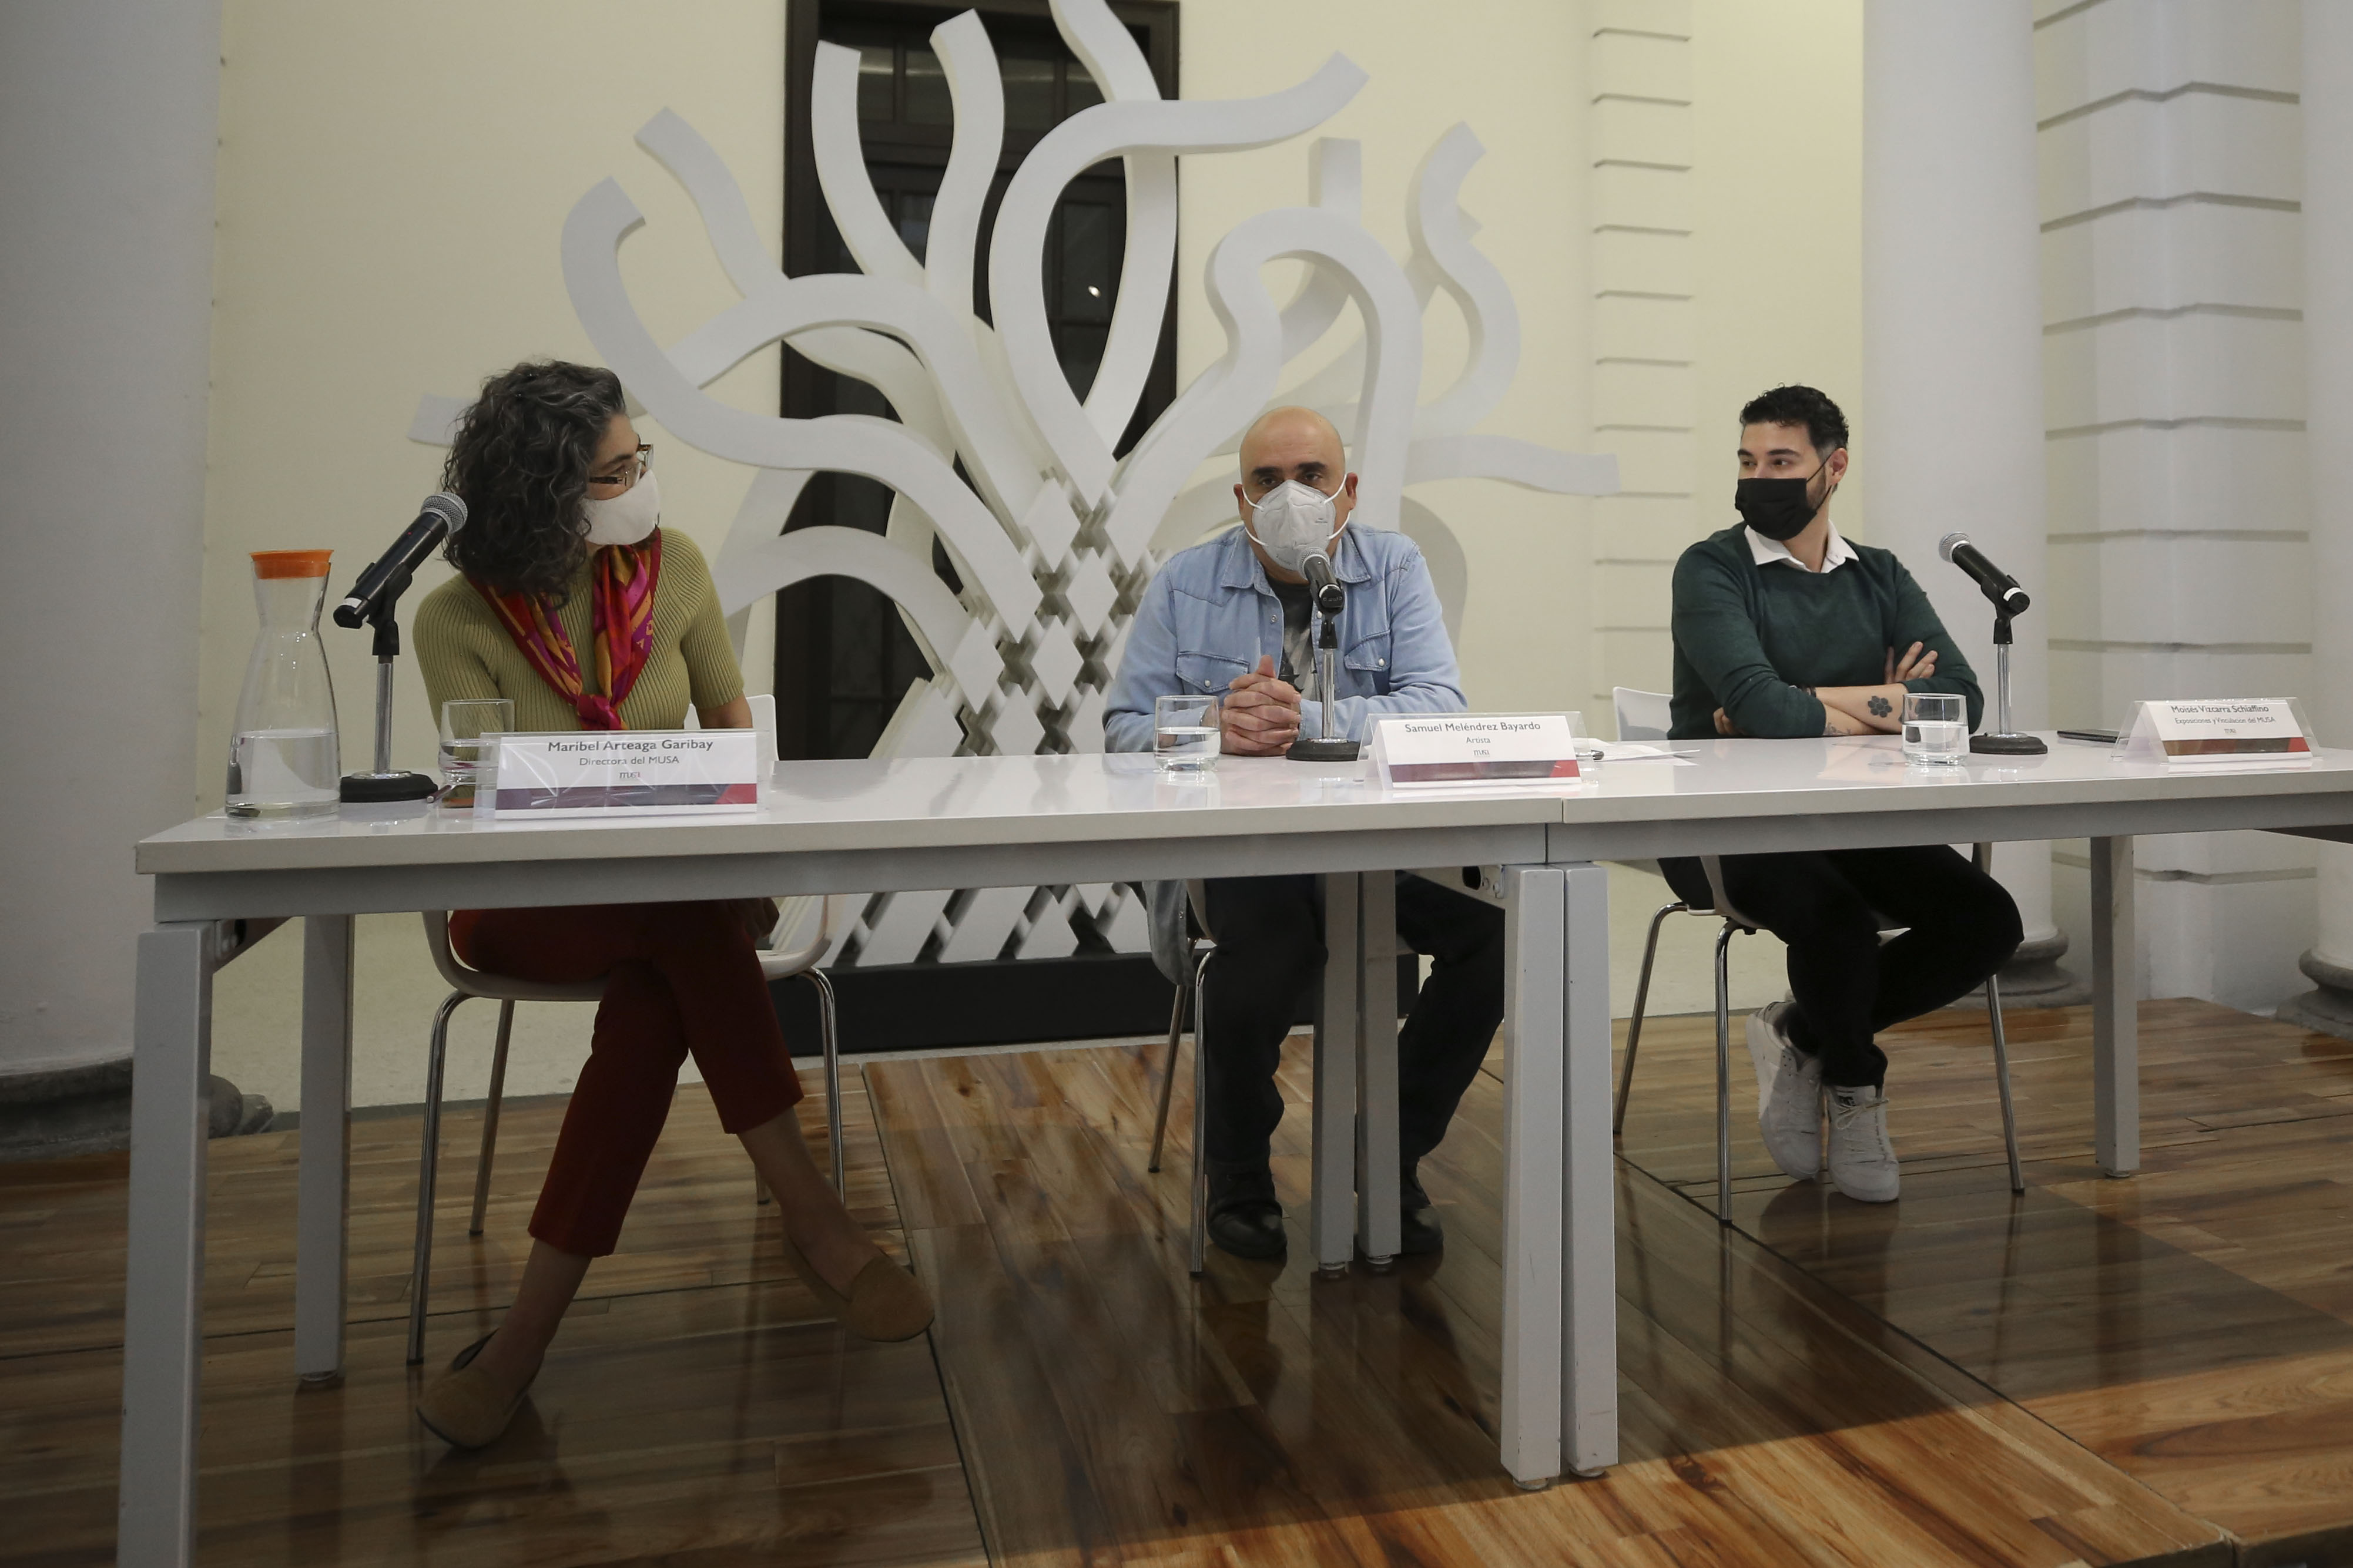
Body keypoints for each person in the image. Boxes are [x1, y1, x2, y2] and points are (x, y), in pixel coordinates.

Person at [409, 361, 931, 1449]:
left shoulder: (675, 568)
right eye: (614, 472)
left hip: (667, 903)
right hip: (524, 904)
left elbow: (736, 744)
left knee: (661, 988)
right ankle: (816, 1221)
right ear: (544, 491)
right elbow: (487, 794)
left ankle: (519, 1346)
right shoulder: (454, 616)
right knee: (690, 928)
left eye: (638, 459)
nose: (641, 482)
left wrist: (718, 834)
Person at [1104, 406, 1504, 1261]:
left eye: (1311, 476)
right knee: (1260, 956)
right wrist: (1215, 724)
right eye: (1268, 480)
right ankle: (1239, 1171)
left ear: (1347, 490)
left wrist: (1311, 721)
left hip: (1379, 848)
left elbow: (1440, 706)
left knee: (1500, 932)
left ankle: (1388, 1147)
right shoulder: (1184, 582)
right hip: (1243, 852)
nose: (1291, 495)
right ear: (1241, 499)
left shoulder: (1394, 567)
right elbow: (1122, 731)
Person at [1662, 384, 2023, 1203]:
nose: (1760, 479)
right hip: (1723, 826)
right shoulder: (1712, 569)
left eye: (1781, 461)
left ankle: (1803, 1032)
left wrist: (1808, 702)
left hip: (1854, 819)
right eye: (1749, 461)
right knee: (1837, 920)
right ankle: (1856, 1083)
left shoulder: (1880, 575)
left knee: (1987, 920)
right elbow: (1760, 708)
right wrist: (1884, 702)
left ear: (1835, 468)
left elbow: (1960, 702)